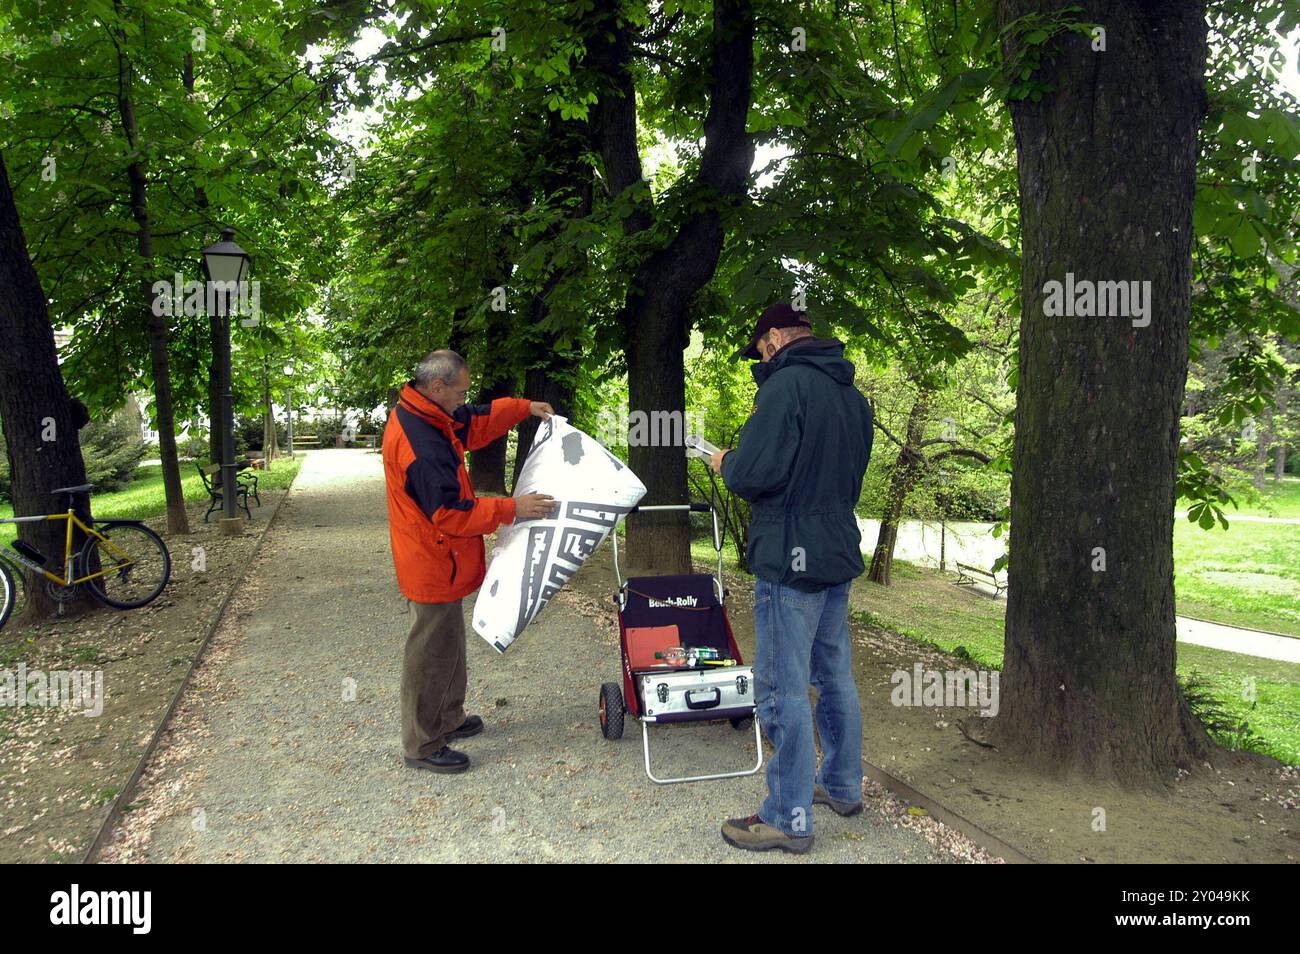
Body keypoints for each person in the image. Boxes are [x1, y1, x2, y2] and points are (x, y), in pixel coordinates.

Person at [709, 302, 874, 853]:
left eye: (760, 349)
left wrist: (727, 460)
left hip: (789, 557)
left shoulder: (784, 389)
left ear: (775, 337)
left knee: (781, 687)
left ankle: (788, 816)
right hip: (836, 552)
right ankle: (843, 786)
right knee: (833, 676)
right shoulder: (853, 397)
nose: (761, 358)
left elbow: (756, 474)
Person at [383, 349, 557, 773]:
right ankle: (422, 744)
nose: (464, 399)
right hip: (431, 559)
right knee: (429, 650)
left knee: (447, 644)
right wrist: (511, 509)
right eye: (460, 392)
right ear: (437, 386)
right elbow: (451, 513)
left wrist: (523, 408)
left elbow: (476, 422)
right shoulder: (420, 442)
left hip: (440, 557)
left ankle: (449, 718)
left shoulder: (429, 412)